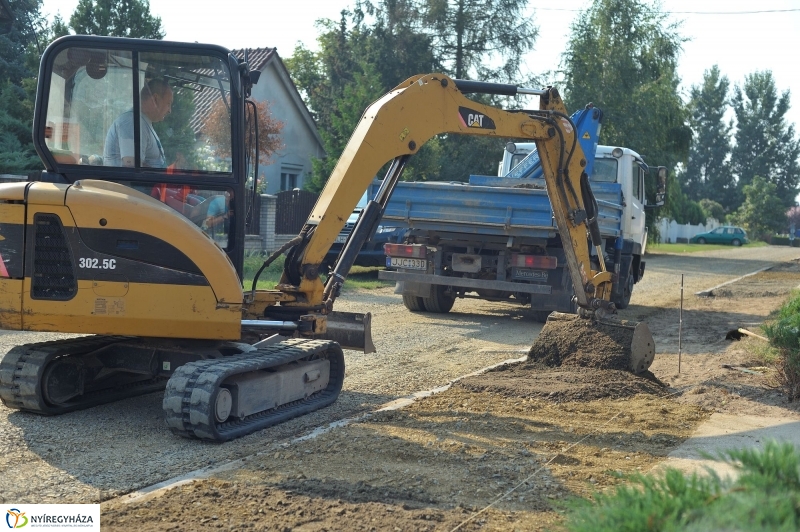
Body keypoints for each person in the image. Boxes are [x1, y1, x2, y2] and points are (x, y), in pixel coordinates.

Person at [104, 78, 173, 168]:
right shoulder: (132, 122)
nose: (169, 110)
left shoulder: (143, 123)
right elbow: (131, 166)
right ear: (155, 100)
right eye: (168, 103)